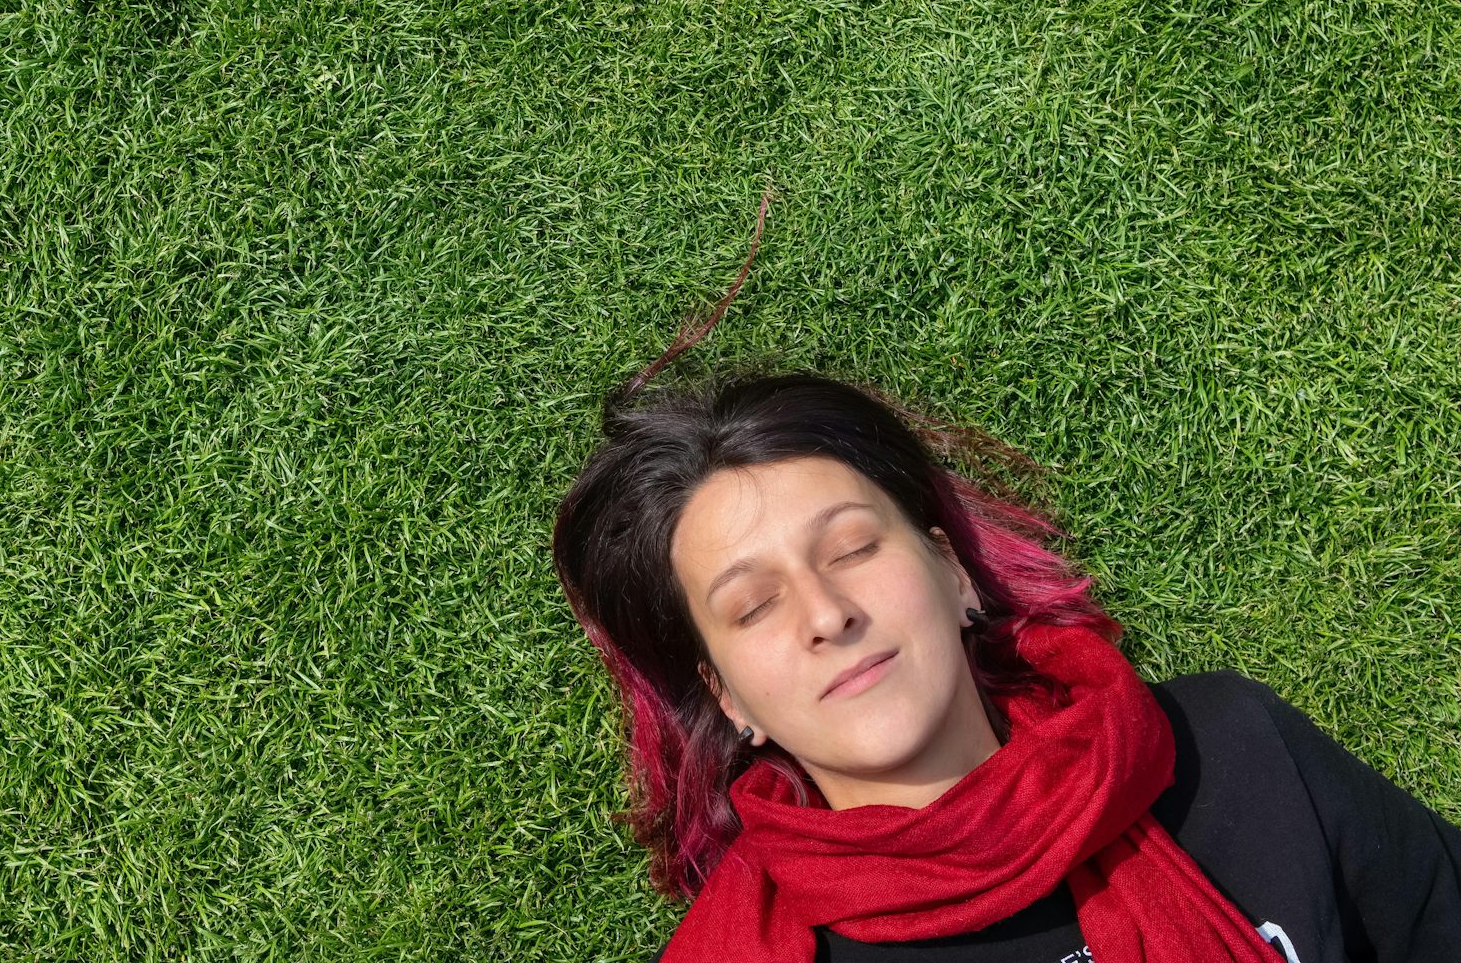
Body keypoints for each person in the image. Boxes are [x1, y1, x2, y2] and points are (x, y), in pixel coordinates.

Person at [550, 367, 1461, 963]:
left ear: (951, 572)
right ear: (728, 698)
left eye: (854, 549)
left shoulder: (1227, 750)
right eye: (752, 606)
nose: (827, 614)